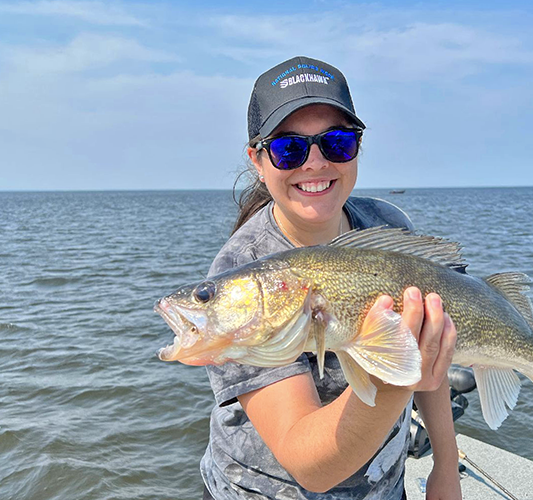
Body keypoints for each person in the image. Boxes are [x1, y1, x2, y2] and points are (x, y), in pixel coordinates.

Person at [198, 56, 462, 500]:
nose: (315, 163)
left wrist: (446, 467)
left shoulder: (387, 229)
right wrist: (394, 372)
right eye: (289, 148)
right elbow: (310, 467)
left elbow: (430, 354)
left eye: (337, 143)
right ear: (258, 160)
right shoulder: (240, 284)